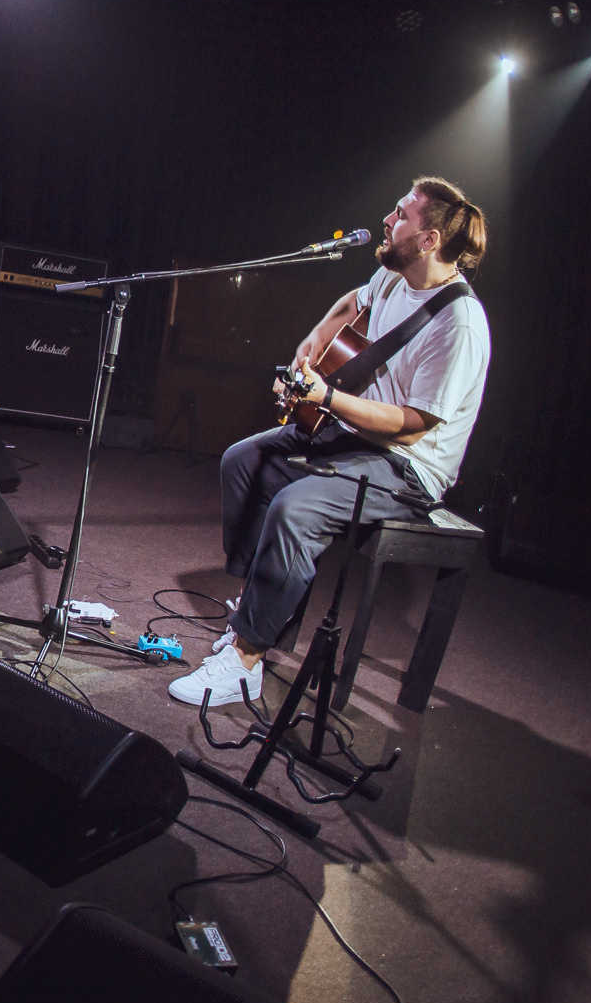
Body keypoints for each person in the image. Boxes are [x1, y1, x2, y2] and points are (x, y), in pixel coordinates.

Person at [166, 177, 493, 708]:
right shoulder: (391, 277)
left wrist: (328, 398)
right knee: (243, 462)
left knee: (296, 507)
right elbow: (349, 306)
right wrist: (308, 351)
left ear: (429, 240)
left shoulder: (458, 323)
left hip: (408, 466)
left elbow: (413, 424)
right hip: (354, 435)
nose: (388, 220)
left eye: (400, 214)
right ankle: (258, 602)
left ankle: (246, 659)